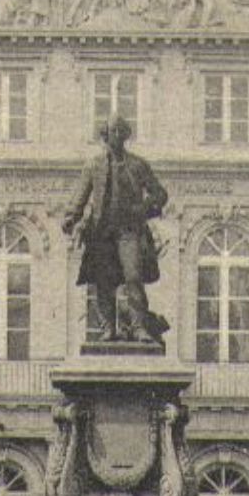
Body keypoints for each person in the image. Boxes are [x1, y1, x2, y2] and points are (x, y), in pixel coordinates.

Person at [62, 113, 170, 344]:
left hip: (129, 230)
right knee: (103, 281)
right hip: (101, 232)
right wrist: (71, 218)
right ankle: (108, 327)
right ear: (105, 136)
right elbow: (80, 196)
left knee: (133, 277)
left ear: (126, 135)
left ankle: (139, 326)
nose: (118, 136)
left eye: (122, 131)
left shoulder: (138, 165)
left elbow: (160, 194)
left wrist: (144, 208)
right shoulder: (94, 165)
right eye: (113, 132)